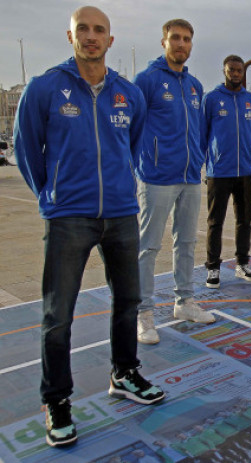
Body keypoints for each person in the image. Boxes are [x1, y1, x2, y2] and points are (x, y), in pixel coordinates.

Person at [13, 6, 165, 447]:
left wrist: (119, 188)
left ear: (111, 41)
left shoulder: (127, 93)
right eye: (84, 29)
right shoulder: (45, 88)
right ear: (71, 35)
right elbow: (27, 151)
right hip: (68, 218)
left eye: (100, 30)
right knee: (57, 315)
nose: (92, 36)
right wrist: (52, 194)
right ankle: (57, 400)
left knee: (128, 301)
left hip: (120, 214)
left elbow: (133, 145)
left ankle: (125, 373)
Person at [134, 18, 215, 345]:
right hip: (156, 178)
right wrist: (141, 166)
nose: (182, 44)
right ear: (164, 42)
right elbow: (133, 129)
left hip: (189, 177)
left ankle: (184, 302)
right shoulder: (147, 81)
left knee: (186, 242)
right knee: (149, 246)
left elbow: (196, 130)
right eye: (176, 38)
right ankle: (144, 313)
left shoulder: (194, 85)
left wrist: (197, 161)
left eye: (187, 39)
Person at [201, 55, 251, 289]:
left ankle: (242, 264)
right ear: (224, 71)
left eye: (239, 70)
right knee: (215, 221)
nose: (235, 74)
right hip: (219, 172)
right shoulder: (212, 99)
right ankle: (213, 267)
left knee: (244, 220)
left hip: (245, 171)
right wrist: (206, 164)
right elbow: (202, 134)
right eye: (231, 70)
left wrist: (248, 154)